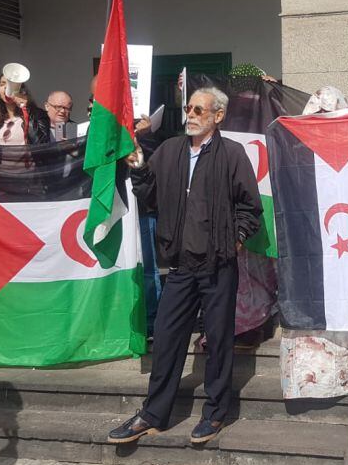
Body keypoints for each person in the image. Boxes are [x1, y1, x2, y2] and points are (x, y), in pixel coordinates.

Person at [107, 87, 262, 445]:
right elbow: (149, 198)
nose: (190, 115)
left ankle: (216, 412)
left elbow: (250, 207)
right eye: (188, 108)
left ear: (217, 116)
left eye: (198, 110)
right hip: (180, 264)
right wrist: (140, 167)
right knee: (166, 337)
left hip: (218, 264)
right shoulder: (171, 150)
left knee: (219, 341)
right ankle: (153, 413)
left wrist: (234, 238)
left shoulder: (232, 154)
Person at [0, 77, 51, 145]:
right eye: (2, 84)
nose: (6, 87)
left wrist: (26, 109)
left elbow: (41, 144)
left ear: (21, 90)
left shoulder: (38, 114)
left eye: (11, 84)